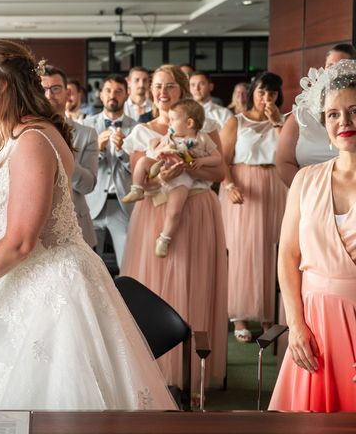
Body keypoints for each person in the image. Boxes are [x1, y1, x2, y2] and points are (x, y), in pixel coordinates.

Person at [0, 39, 178, 411]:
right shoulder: (11, 139)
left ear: (1, 85)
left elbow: (20, 241)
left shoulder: (31, 140)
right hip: (18, 290)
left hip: (54, 294)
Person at [120, 64, 228, 399]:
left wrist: (193, 166)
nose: (162, 92)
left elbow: (221, 171)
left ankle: (193, 375)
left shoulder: (205, 128)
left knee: (194, 283)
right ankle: (154, 373)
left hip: (196, 212)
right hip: (154, 214)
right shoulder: (142, 132)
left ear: (182, 90)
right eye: (157, 86)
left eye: (169, 86)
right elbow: (143, 179)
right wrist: (163, 177)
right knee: (153, 286)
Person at [269, 59, 356, 412]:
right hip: (314, 324)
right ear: (324, 123)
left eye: (354, 110)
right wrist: (296, 324)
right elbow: (287, 255)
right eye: (333, 114)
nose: (344, 122)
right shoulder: (306, 180)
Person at [219, 71, 288, 343]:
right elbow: (223, 159)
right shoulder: (235, 121)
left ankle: (269, 316)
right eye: (261, 92)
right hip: (244, 184)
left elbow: (290, 152)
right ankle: (240, 316)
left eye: (271, 94)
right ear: (252, 93)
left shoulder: (283, 121)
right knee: (243, 251)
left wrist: (277, 122)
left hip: (274, 185)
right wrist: (229, 185)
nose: (266, 98)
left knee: (273, 250)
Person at [122, 99, 221, 258]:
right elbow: (157, 149)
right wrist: (162, 150)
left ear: (189, 123)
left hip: (182, 178)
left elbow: (218, 159)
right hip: (164, 166)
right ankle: (137, 188)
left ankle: (164, 238)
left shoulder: (202, 139)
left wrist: (202, 161)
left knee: (175, 210)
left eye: (173, 120)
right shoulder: (170, 136)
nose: (170, 124)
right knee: (143, 162)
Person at [275, 44, 355, 187]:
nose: (334, 72)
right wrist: (309, 192)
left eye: (341, 65)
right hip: (307, 190)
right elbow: (284, 162)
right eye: (330, 66)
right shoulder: (302, 113)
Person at [82, 75, 136, 269]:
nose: (113, 95)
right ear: (101, 95)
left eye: (118, 91)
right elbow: (78, 165)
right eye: (108, 91)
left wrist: (122, 152)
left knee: (128, 265)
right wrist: (97, 149)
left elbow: (138, 170)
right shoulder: (86, 126)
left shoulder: (137, 128)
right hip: (90, 205)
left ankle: (125, 300)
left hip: (123, 205)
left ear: (127, 95)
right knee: (88, 266)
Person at [41, 65, 99, 248]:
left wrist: (63, 156)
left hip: (77, 227)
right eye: (43, 89)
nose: (49, 95)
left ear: (68, 93)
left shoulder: (87, 134)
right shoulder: (24, 132)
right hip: (36, 229)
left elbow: (88, 184)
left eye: (55, 89)